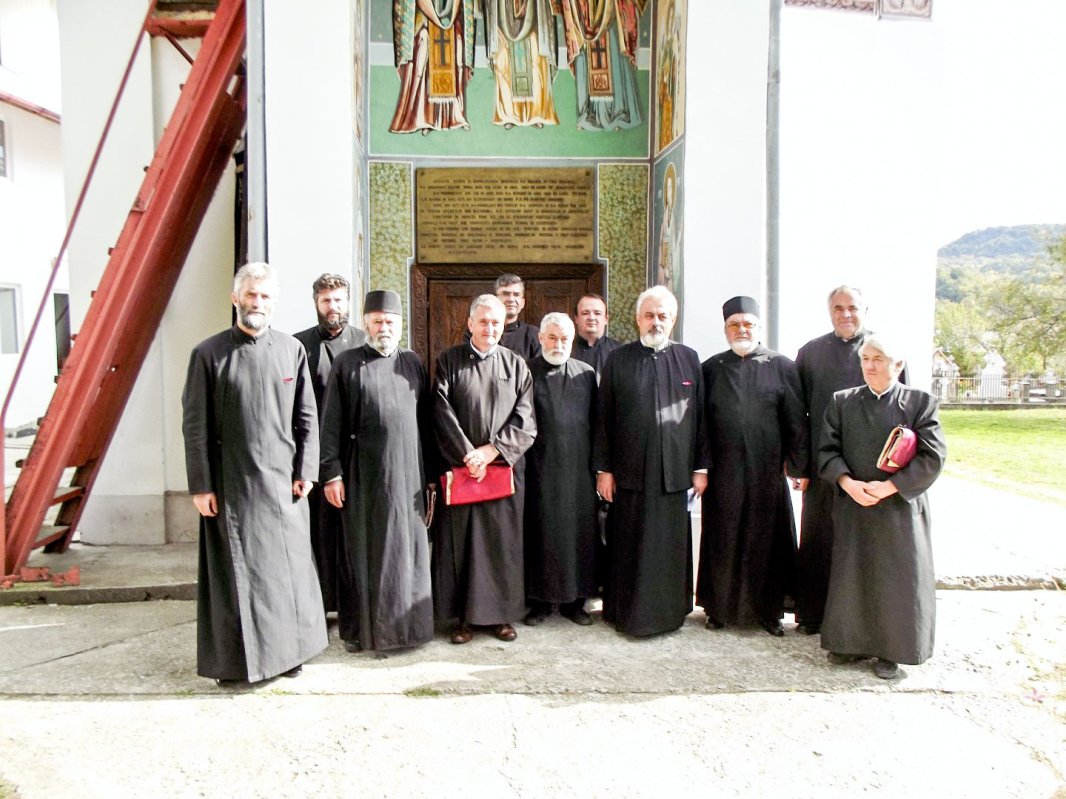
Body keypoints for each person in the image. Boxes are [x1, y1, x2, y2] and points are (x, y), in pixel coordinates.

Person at [182, 262, 327, 686]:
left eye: (264, 296)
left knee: (286, 576)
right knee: (237, 577)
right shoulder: (207, 354)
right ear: (236, 299)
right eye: (250, 295)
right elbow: (195, 426)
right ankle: (235, 664)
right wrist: (201, 484)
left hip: (283, 487)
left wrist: (307, 470)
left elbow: (307, 418)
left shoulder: (291, 350)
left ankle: (289, 655)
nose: (257, 303)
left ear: (274, 302)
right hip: (231, 490)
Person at [818, 333, 946, 680]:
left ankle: (891, 651)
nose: (870, 366)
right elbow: (826, 451)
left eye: (879, 359)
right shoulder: (842, 401)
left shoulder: (920, 403)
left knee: (895, 579)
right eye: (865, 359)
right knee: (853, 575)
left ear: (898, 364)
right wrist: (847, 483)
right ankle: (850, 643)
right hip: (854, 504)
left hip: (899, 509)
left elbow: (932, 457)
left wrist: (889, 487)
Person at [319, 290, 435, 653]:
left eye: (391, 322)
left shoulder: (413, 363)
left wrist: (430, 477)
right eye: (378, 321)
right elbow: (331, 422)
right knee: (366, 553)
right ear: (366, 323)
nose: (384, 327)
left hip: (410, 478)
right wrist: (331, 472)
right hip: (363, 477)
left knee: (408, 555)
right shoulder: (347, 364)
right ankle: (364, 633)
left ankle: (409, 632)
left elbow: (427, 423)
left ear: (400, 325)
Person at [593, 285, 708, 637]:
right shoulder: (618, 359)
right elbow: (604, 417)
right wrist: (604, 469)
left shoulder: (689, 358)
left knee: (667, 549)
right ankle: (623, 612)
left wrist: (700, 469)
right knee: (628, 545)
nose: (655, 322)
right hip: (628, 474)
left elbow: (701, 417)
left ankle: (669, 614)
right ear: (637, 318)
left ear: (673, 320)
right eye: (649, 315)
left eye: (663, 316)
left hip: (673, 474)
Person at [794, 286, 907, 635]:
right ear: (829, 312)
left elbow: (904, 410)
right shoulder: (810, 353)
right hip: (824, 464)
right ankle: (813, 614)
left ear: (865, 310)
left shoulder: (883, 350)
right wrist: (800, 467)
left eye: (852, 307)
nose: (845, 314)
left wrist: (896, 473)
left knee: (865, 548)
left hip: (873, 468)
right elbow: (799, 413)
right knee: (820, 539)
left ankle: (863, 622)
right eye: (838, 308)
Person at [696, 297, 808, 637]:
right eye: (735, 325)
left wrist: (799, 466)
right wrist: (701, 466)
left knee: (767, 541)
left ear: (758, 328)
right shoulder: (711, 368)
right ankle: (718, 609)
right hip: (723, 472)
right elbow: (700, 423)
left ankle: (768, 612)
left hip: (767, 471)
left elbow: (796, 422)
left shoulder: (783, 366)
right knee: (723, 538)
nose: (742, 330)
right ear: (725, 329)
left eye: (748, 324)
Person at [432, 294, 537, 644]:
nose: (490, 328)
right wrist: (468, 455)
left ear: (504, 325)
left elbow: (526, 420)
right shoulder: (449, 361)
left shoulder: (517, 365)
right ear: (470, 323)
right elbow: (441, 412)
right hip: (462, 471)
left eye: (496, 322)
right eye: (483, 321)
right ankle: (462, 620)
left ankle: (501, 617)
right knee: (460, 547)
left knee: (500, 546)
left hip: (501, 470)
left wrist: (492, 451)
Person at [293, 274, 366, 616]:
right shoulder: (298, 346)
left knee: (353, 536)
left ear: (348, 302)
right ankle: (320, 607)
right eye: (326, 300)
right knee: (319, 536)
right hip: (312, 455)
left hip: (356, 458)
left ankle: (354, 604)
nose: (333, 307)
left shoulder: (365, 345)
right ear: (316, 304)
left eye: (338, 300)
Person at [523, 312, 599, 627]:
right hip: (537, 471)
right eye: (552, 337)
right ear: (541, 339)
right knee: (539, 535)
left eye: (564, 338)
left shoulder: (586, 374)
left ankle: (575, 603)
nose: (558, 344)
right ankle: (539, 602)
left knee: (578, 537)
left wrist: (600, 469)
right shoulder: (525, 372)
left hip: (578, 473)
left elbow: (598, 424)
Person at [571, 293, 620, 380]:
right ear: (576, 319)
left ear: (606, 319)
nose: (591, 317)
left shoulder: (620, 352)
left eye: (597, 313)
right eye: (585, 313)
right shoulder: (565, 351)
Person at [494, 274, 542, 360]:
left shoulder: (534, 335)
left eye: (516, 295)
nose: (511, 299)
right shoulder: (480, 331)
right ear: (495, 299)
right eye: (506, 294)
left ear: (522, 303)